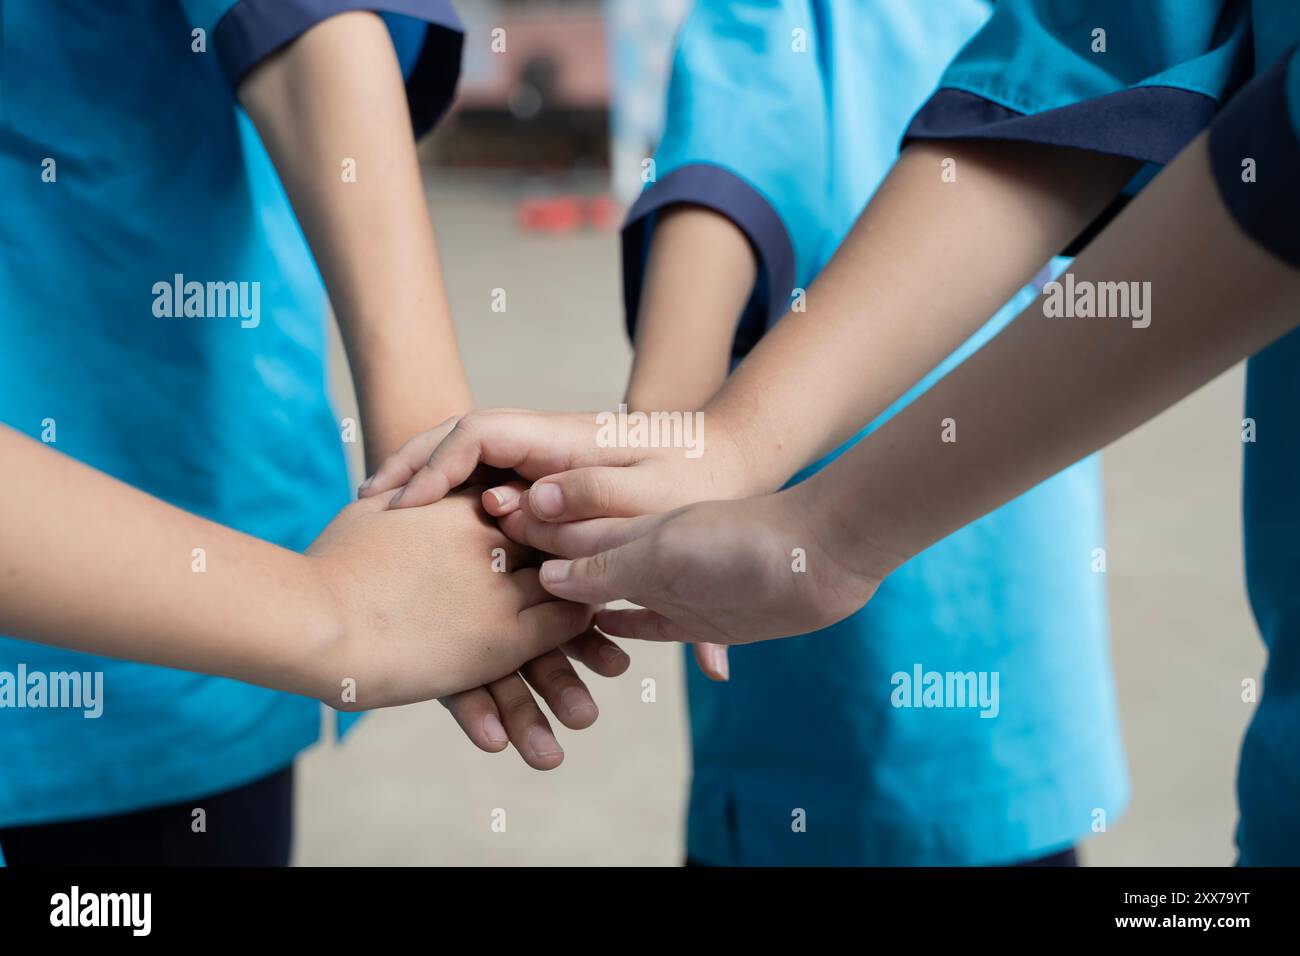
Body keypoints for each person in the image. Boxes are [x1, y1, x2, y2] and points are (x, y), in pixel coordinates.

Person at [367, 0, 1300, 864]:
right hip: (791, 637)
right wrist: (679, 446)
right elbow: (728, 172)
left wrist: (787, 506)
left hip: (1003, 657)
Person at [0, 3, 617, 867]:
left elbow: (296, 18)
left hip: (178, 611)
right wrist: (331, 614)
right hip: (237, 603)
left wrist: (430, 459)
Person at [558, 0, 1131, 866]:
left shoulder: (1055, 23)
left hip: (1019, 690)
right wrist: (669, 444)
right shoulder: (781, 21)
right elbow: (719, 192)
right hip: (824, 701)